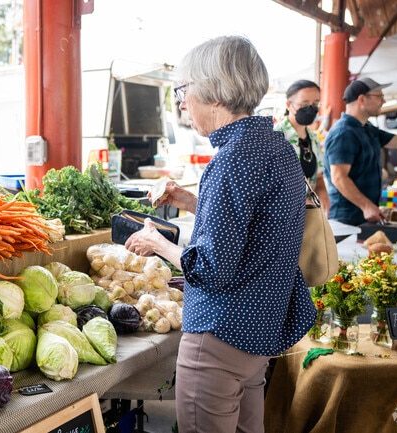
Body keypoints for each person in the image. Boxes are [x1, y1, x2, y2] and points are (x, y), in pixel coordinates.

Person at [124, 35, 315, 433]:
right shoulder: (275, 146)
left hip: (220, 334)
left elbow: (212, 269)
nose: (180, 101)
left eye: (183, 90)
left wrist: (157, 242)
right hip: (260, 329)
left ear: (213, 92)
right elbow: (259, 221)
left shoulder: (230, 160)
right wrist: (192, 202)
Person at [323, 77, 397, 226]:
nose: (383, 101)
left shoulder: (367, 128)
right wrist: (366, 206)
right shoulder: (343, 133)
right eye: (379, 96)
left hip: (363, 217)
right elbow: (339, 178)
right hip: (347, 219)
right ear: (362, 99)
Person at [274, 79, 330, 211]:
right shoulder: (276, 136)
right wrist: (302, 202)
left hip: (309, 215)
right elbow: (271, 183)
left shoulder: (314, 139)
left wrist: (322, 194)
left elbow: (319, 177)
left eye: (315, 104)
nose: (310, 109)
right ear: (288, 104)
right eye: (304, 104)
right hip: (281, 217)